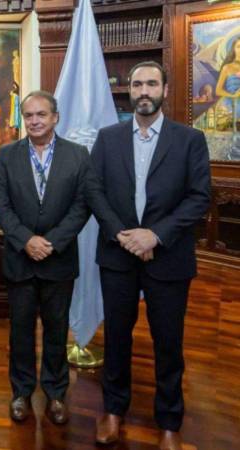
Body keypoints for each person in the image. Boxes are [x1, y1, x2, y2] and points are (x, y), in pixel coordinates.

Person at [85, 61, 211, 450]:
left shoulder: (189, 139)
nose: (143, 90)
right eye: (137, 84)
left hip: (168, 258)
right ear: (128, 90)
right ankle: (113, 410)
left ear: (164, 89)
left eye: (151, 84)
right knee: (117, 338)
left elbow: (198, 198)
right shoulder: (108, 138)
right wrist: (122, 235)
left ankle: (169, 420)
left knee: (168, 342)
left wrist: (154, 235)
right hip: (118, 255)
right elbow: (94, 190)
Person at [0, 91, 90, 425]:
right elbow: (0, 205)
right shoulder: (6, 155)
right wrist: (26, 240)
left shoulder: (78, 155)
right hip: (20, 259)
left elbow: (82, 205)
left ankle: (56, 393)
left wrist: (52, 242)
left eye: (41, 115)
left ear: (55, 117)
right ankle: (20, 392)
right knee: (20, 331)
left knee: (56, 330)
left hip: (58, 260)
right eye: (28, 115)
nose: (34, 121)